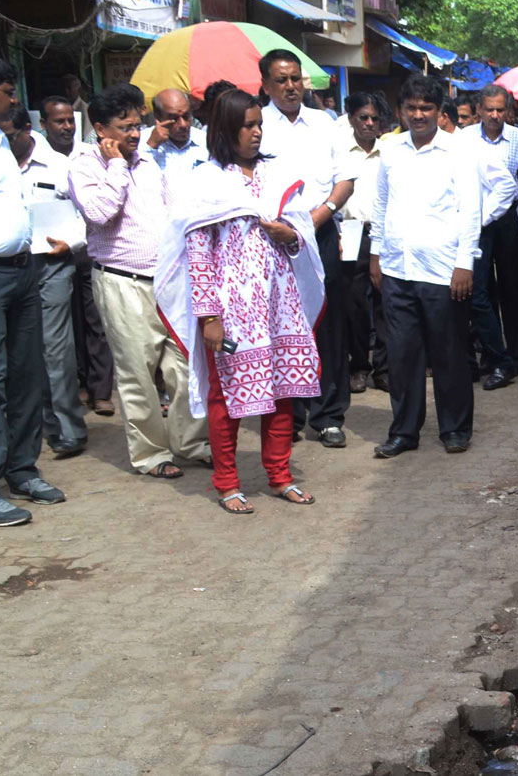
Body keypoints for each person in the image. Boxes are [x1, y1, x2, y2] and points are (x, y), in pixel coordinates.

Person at [155, 89, 325, 514]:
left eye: (259, 125)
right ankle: (227, 482)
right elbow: (197, 254)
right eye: (247, 126)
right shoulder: (206, 182)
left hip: (279, 304)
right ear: (225, 130)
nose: (256, 133)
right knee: (226, 399)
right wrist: (208, 316)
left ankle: (280, 476)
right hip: (231, 312)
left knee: (283, 392)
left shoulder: (277, 174)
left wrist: (292, 235)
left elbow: (301, 229)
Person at [68, 82, 210, 478]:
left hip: (165, 278)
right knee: (137, 372)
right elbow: (100, 213)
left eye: (136, 125)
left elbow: (166, 215)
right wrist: (116, 166)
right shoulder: (84, 165)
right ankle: (151, 455)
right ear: (101, 129)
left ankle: (190, 443)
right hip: (120, 282)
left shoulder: (148, 162)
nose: (134, 134)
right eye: (124, 127)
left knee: (183, 366)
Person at [369, 75, 501, 458]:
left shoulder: (459, 152)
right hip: (398, 269)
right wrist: (376, 254)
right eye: (411, 108)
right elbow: (381, 205)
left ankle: (455, 428)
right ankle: (404, 431)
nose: (418, 114)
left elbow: (470, 211)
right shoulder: (391, 151)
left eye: (426, 108)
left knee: (450, 353)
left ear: (439, 112)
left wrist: (465, 264)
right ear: (401, 111)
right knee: (402, 355)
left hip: (443, 271)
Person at [0, 54, 65, 526]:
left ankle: (22, 469)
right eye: (9, 92)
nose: (16, 101)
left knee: (28, 373)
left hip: (22, 269)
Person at [258, 49, 356, 449]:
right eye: (281, 80)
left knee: (328, 324)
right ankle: (289, 414)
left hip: (321, 233)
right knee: (283, 324)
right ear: (265, 84)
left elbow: (346, 181)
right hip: (272, 238)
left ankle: (328, 415)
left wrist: (317, 218)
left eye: (296, 78)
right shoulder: (257, 124)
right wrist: (281, 228)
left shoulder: (326, 124)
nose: (291, 86)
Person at [0, 104, 88, 460]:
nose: (3, 143)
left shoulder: (60, 165)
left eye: (9, 136)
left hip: (51, 265)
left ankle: (67, 429)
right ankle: (27, 430)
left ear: (26, 129)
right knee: (17, 353)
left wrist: (74, 241)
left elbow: (87, 213)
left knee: (55, 350)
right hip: (7, 267)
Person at [43, 96, 115, 416]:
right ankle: (78, 385)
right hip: (54, 252)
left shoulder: (89, 154)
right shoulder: (39, 157)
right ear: (44, 125)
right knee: (67, 326)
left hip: (90, 247)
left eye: (70, 120)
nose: (67, 127)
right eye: (59, 122)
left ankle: (102, 391)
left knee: (95, 320)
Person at [466, 84, 518, 387]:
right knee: (481, 290)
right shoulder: (465, 139)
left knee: (512, 286)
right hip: (476, 221)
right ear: (479, 109)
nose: (494, 115)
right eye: (489, 109)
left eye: (499, 109)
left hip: (507, 219)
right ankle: (492, 354)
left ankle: (516, 354)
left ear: (507, 111)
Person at [338, 91, 392, 394]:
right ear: (351, 119)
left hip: (381, 232)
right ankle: (359, 365)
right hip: (350, 231)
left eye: (374, 118)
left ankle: (383, 368)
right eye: (363, 118)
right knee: (354, 303)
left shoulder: (389, 152)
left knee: (385, 300)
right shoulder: (340, 152)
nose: (369, 123)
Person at [141, 89, 208, 182]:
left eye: (186, 116)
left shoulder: (206, 141)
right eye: (174, 118)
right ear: (158, 117)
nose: (183, 125)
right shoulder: (142, 142)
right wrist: (151, 147)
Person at [62, 73, 95, 142]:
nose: (66, 91)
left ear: (79, 90)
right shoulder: (61, 107)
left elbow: (88, 135)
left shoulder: (84, 108)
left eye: (69, 88)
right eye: (64, 88)